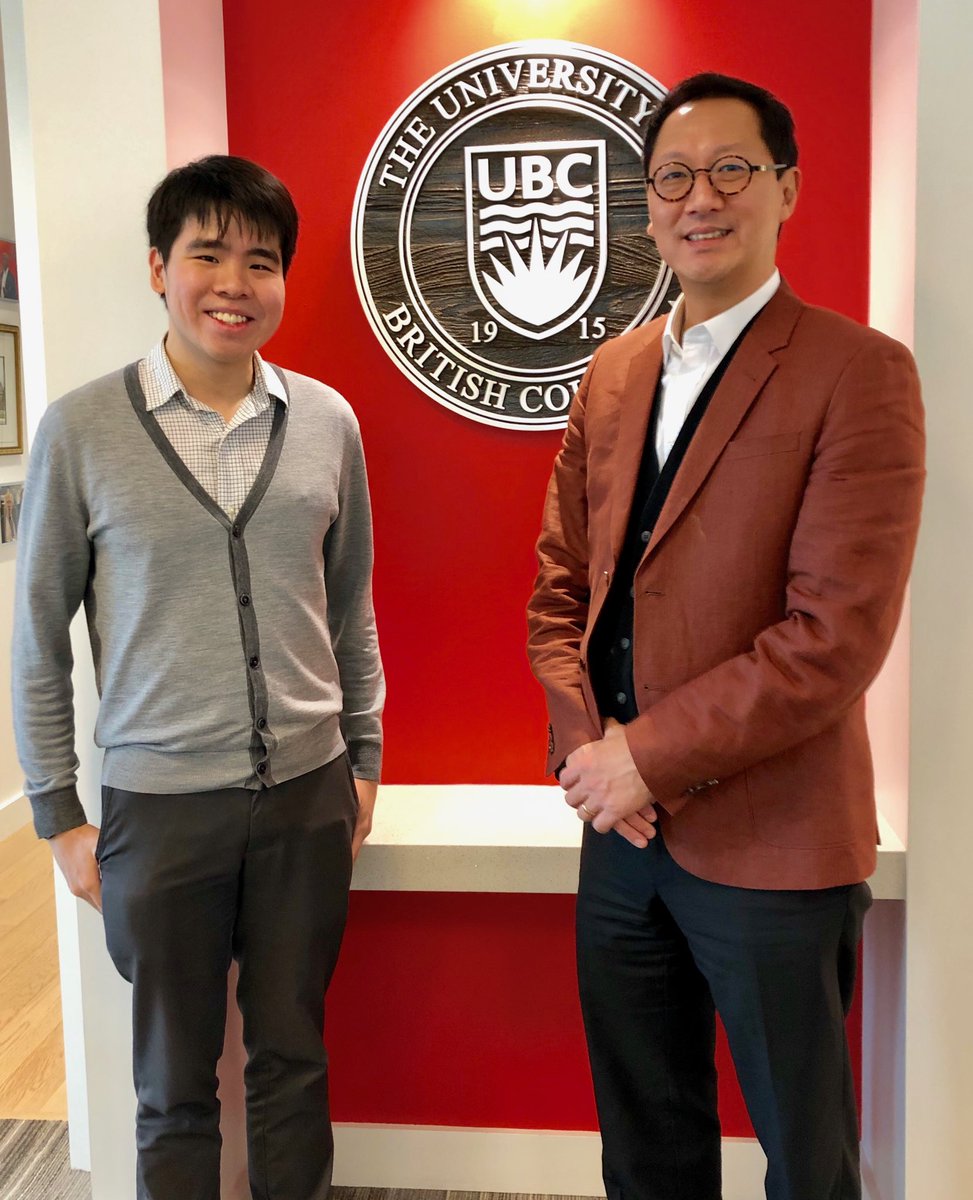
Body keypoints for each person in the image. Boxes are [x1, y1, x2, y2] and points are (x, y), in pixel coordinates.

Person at [526, 73, 924, 1200]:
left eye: (731, 170)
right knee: (645, 1147)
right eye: (672, 178)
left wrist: (641, 759)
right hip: (619, 839)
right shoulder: (612, 372)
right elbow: (560, 587)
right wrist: (587, 753)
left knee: (804, 1158)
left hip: (775, 841)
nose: (699, 198)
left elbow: (829, 639)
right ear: (647, 203)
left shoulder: (858, 371)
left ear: (785, 189)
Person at [12, 155, 384, 1200]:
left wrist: (364, 758)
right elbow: (36, 637)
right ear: (157, 268)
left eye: (260, 261)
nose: (234, 283)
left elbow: (349, 607)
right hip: (160, 810)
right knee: (172, 1085)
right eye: (206, 254)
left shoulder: (327, 423)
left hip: (307, 795)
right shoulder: (82, 430)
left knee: (292, 1060)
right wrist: (57, 813)